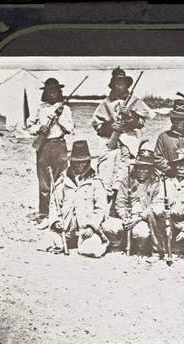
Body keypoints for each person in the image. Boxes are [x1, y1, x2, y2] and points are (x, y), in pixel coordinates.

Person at [91, 67, 155, 211]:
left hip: (128, 140)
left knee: (126, 170)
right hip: (110, 140)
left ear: (127, 85)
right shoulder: (105, 103)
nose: (120, 86)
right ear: (112, 85)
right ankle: (104, 202)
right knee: (106, 168)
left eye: (122, 84)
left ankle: (121, 203)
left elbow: (141, 123)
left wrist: (131, 116)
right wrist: (111, 126)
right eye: (117, 84)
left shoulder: (135, 101)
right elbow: (97, 126)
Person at [44, 140, 109, 257]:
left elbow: (100, 208)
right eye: (76, 162)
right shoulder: (62, 181)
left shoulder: (96, 183)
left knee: (90, 249)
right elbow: (54, 204)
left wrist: (91, 227)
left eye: (83, 162)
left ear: (88, 162)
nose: (80, 165)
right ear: (71, 163)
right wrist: (55, 222)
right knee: (47, 242)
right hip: (65, 229)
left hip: (85, 230)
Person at [27, 78, 74, 228]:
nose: (53, 94)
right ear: (45, 93)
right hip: (43, 146)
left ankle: (60, 213)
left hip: (59, 145)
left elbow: (70, 129)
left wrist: (58, 117)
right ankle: (45, 214)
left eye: (55, 91)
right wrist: (40, 128)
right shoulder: (40, 108)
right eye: (50, 91)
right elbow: (29, 126)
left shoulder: (65, 109)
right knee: (44, 182)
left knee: (61, 180)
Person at [102, 147, 164, 255]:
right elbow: (120, 202)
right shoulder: (127, 180)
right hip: (126, 217)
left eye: (145, 168)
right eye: (139, 168)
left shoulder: (157, 183)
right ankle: (116, 246)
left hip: (143, 220)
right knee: (107, 226)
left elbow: (155, 205)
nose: (142, 171)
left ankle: (141, 250)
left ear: (151, 169)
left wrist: (139, 218)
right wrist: (124, 217)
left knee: (142, 233)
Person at [154, 93, 184, 177]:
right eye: (176, 119)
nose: (179, 122)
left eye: (182, 119)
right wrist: (171, 170)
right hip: (169, 175)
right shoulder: (164, 136)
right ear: (172, 120)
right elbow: (157, 158)